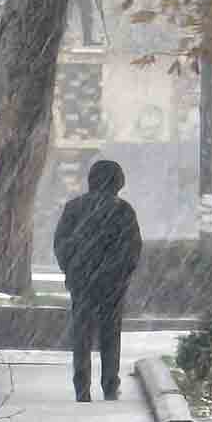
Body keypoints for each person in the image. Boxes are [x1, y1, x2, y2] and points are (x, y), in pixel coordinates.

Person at [54, 160, 142, 402]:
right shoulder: (123, 210)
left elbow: (60, 243)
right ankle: (110, 384)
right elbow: (133, 248)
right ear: (118, 182)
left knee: (81, 334)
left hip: (82, 282)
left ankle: (81, 386)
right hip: (112, 283)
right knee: (110, 333)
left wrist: (72, 270)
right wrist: (121, 274)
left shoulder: (74, 208)